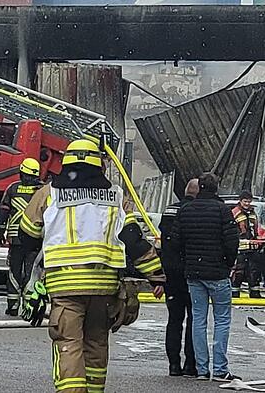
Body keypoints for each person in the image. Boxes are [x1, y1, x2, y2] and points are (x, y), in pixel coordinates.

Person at [16, 138, 165, 393]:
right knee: (96, 345)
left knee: (68, 344)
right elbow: (134, 240)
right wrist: (156, 275)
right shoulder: (116, 197)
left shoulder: (49, 193)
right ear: (100, 164)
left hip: (64, 287)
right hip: (104, 288)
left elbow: (27, 236)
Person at [171, 172, 240, 382]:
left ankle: (201, 369)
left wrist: (188, 260)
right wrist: (228, 263)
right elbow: (232, 241)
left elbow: (175, 242)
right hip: (218, 273)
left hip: (194, 273)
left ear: (200, 187)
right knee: (222, 320)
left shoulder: (186, 210)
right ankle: (220, 369)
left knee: (198, 320)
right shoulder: (222, 211)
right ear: (216, 188)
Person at [160, 178, 199, 377]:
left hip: (171, 274)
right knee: (194, 319)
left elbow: (165, 244)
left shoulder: (169, 210)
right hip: (192, 271)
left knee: (174, 319)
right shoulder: (194, 212)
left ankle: (173, 364)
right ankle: (190, 364)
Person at [0, 157, 44, 316]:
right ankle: (29, 306)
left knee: (14, 271)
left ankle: (13, 306)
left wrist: (0, 232)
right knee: (33, 271)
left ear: (21, 173)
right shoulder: (43, 190)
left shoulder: (12, 189)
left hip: (16, 239)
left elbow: (4, 211)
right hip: (36, 239)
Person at [231, 190, 262, 298]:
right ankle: (234, 292)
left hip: (253, 247)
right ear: (240, 201)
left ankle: (255, 292)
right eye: (245, 202)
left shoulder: (253, 213)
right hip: (240, 247)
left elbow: (256, 228)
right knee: (239, 270)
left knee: (254, 271)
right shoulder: (235, 213)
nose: (247, 204)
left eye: (249, 201)